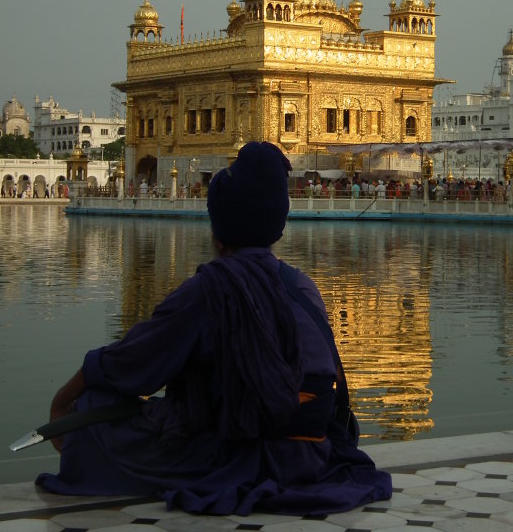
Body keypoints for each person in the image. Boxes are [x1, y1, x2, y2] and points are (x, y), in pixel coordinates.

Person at [36, 141, 392, 516]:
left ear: (218, 232)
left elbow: (131, 364)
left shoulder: (214, 288)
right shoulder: (303, 286)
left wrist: (63, 400)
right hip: (313, 453)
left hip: (243, 455)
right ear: (277, 226)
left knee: (93, 409)